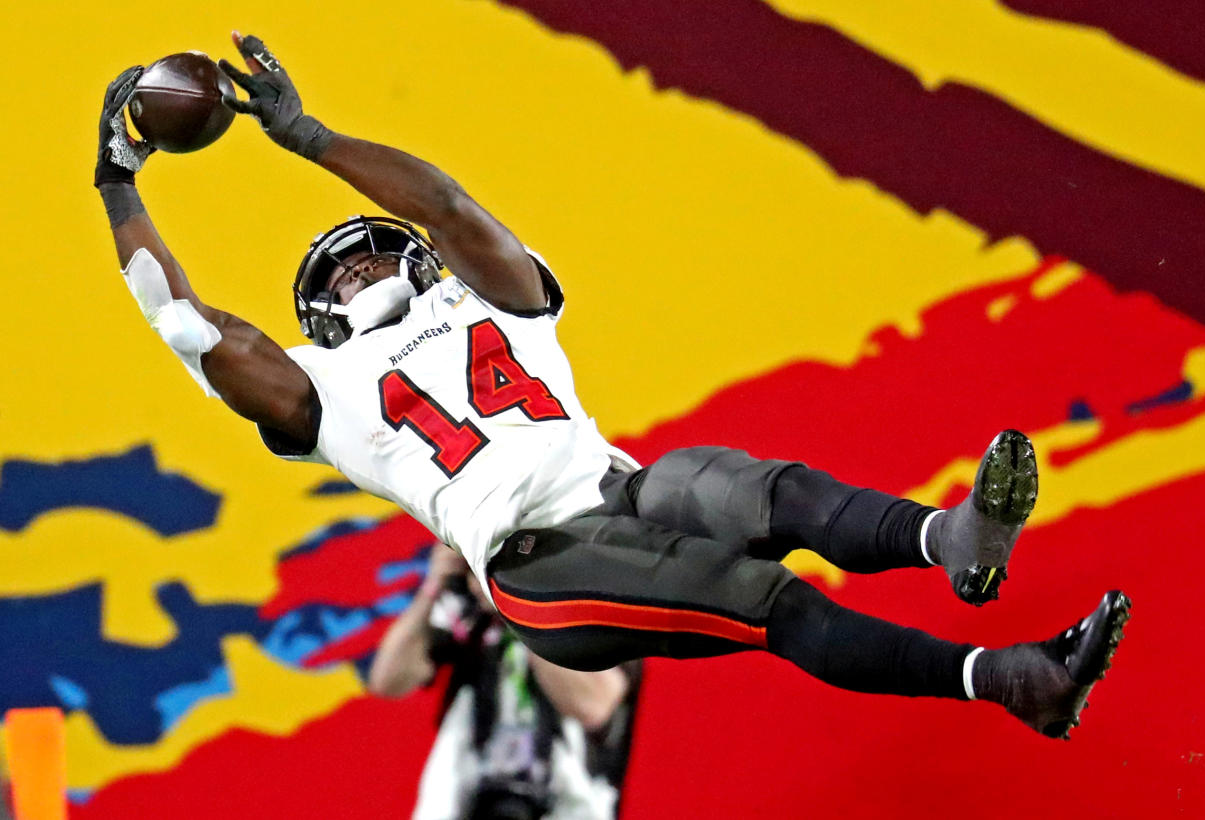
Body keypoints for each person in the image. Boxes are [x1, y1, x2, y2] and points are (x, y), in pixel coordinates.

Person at [95, 32, 1130, 744]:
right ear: (317, 313)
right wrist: (119, 183)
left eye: (374, 252)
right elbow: (190, 328)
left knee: (739, 486)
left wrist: (314, 140)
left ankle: (952, 543)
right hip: (540, 561)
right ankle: (1011, 677)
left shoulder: (489, 294)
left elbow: (449, 207)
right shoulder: (321, 385)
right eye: (340, 273)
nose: (363, 270)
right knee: (766, 598)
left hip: (621, 486)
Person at [369, 543, 639, 820]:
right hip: (472, 800)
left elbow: (593, 706)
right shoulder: (468, 615)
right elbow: (387, 681)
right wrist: (434, 585)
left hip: (569, 803)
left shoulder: (590, 608)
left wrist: (519, 609)